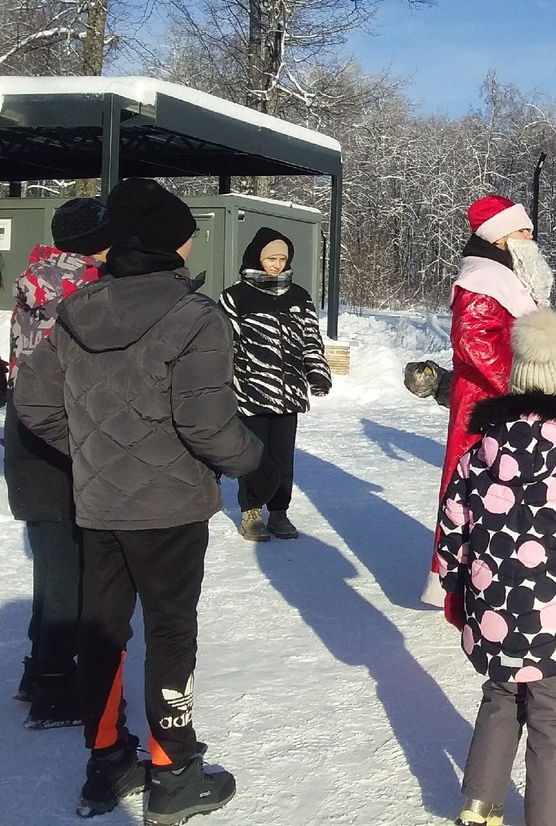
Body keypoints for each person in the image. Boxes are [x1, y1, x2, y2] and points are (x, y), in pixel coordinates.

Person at [15, 178, 273, 822]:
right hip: (171, 509)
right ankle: (172, 766)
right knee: (169, 630)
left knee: (104, 631)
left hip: (100, 505)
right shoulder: (195, 316)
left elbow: (34, 404)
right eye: (188, 232)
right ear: (171, 242)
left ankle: (106, 760)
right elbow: (208, 425)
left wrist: (94, 453)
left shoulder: (78, 311)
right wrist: (253, 460)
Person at [437, 307, 556, 826]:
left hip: (493, 605)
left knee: (498, 698)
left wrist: (455, 581)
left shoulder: (479, 455)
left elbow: (453, 524)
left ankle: (479, 804)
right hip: (553, 613)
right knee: (552, 714)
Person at [5, 197, 113, 728]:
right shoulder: (90, 291)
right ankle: (54, 685)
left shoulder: (37, 278)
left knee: (53, 563)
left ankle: (38, 670)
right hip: (65, 433)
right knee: (70, 567)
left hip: (26, 433)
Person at [422, 194, 553, 607]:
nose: (530, 235)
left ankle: (497, 569)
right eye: (522, 229)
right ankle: (462, 579)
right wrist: (516, 383)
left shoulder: (505, 274)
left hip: (504, 398)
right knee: (476, 487)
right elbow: (473, 340)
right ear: (500, 237)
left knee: (505, 487)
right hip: (486, 402)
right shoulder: (482, 278)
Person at [218, 226, 332, 541]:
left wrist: (317, 373)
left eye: (282, 258)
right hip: (251, 391)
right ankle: (251, 512)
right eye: (271, 258)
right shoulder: (235, 297)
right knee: (254, 455)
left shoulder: (299, 297)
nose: (277, 264)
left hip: (288, 393)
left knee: (283, 456)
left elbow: (311, 340)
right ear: (257, 257)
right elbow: (224, 346)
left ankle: (279, 512)